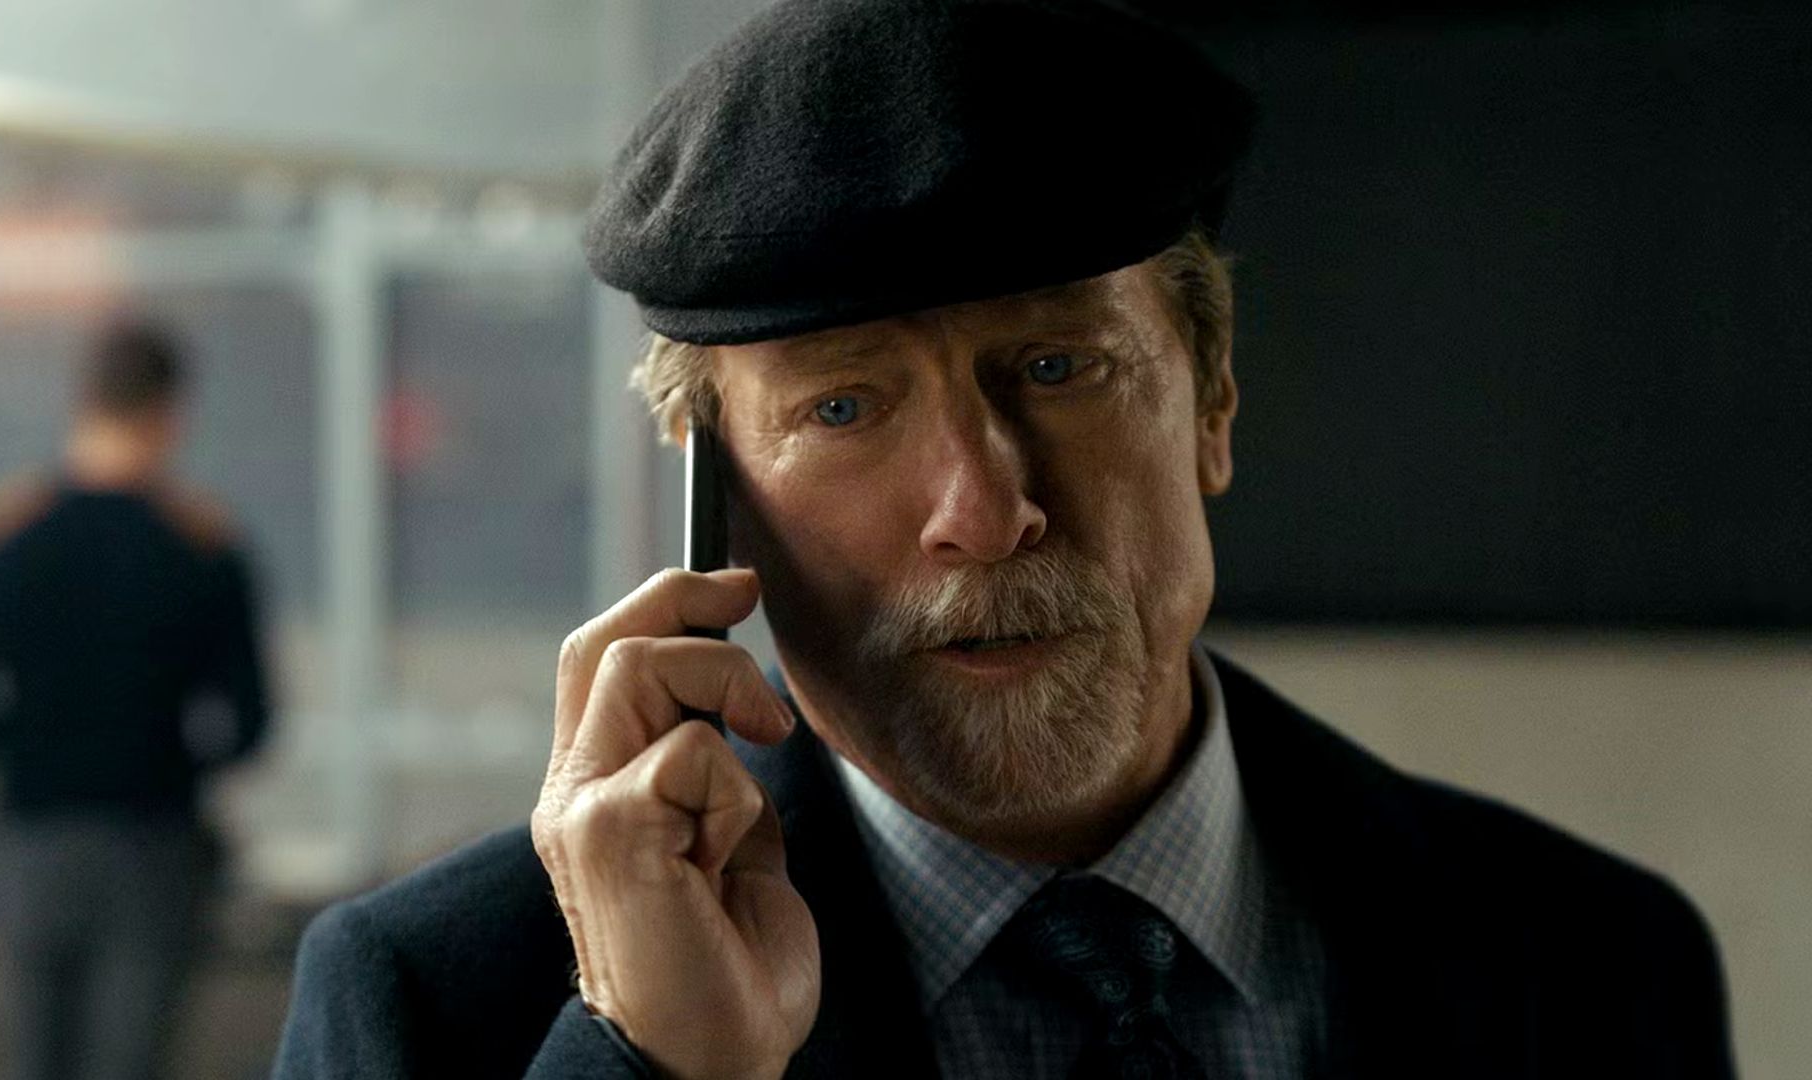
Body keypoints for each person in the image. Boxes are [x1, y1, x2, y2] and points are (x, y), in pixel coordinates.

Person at [273, 2, 1734, 1078]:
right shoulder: (445, 1008)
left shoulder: (1594, 964)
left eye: (1057, 367)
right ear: (718, 500)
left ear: (1212, 402)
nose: (981, 512)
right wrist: (656, 1072)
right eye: (843, 407)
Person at [0, 319, 272, 1080]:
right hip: (152, 845)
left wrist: (19, 749)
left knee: (29, 1059)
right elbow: (250, 724)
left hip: (29, 841)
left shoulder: (7, 534)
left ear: (82, 403)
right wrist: (170, 759)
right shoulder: (201, 547)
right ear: (170, 414)